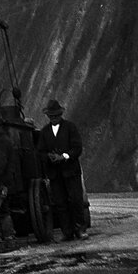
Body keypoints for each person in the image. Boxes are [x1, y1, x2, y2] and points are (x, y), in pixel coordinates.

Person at [36, 99, 89, 241]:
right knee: (60, 203)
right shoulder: (44, 132)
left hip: (71, 172)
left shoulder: (70, 128)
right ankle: (67, 232)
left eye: (55, 116)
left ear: (60, 114)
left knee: (76, 200)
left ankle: (80, 229)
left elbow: (77, 148)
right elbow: (40, 151)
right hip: (55, 174)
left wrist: (64, 156)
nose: (53, 118)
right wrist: (49, 156)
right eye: (51, 116)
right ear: (48, 116)